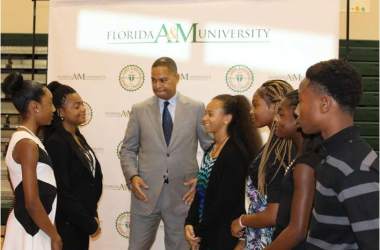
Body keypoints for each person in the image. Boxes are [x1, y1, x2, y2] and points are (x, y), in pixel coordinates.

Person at [119, 57, 213, 250]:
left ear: (177, 78)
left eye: (163, 80)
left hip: (183, 196)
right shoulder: (139, 110)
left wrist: (202, 178)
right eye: (153, 80)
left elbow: (210, 147)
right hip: (145, 194)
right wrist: (133, 176)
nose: (157, 85)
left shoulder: (196, 108)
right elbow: (128, 149)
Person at [297, 59, 379, 250]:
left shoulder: (356, 169)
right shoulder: (333, 157)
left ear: (324, 104)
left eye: (301, 101)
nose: (297, 111)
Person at [184, 94, 262, 250]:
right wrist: (189, 223)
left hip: (223, 238)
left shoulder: (235, 154)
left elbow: (225, 205)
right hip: (206, 235)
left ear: (227, 118)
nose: (204, 118)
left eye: (210, 114)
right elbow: (201, 193)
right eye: (205, 113)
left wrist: (199, 231)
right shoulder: (211, 150)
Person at [230, 80, 294, 250]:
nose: (251, 111)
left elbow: (273, 214)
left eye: (256, 105)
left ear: (275, 107)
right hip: (259, 236)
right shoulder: (272, 147)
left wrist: (242, 221)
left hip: (270, 240)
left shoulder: (279, 154)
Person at [1, 72, 62, 250]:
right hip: (30, 231)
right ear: (35, 107)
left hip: (35, 226)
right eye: (50, 104)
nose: (53, 110)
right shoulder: (27, 144)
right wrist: (55, 236)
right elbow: (31, 202)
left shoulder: (27, 140)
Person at [43, 81, 103, 250]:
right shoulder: (57, 142)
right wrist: (89, 223)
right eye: (76, 106)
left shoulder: (77, 136)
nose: (83, 109)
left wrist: (92, 215)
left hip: (81, 222)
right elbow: (63, 191)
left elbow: (89, 180)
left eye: (82, 104)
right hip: (68, 225)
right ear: (61, 112)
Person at [265, 90, 322, 250]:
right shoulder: (300, 157)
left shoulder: (306, 164)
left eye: (281, 115)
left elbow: (297, 231)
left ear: (298, 116)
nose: (275, 120)